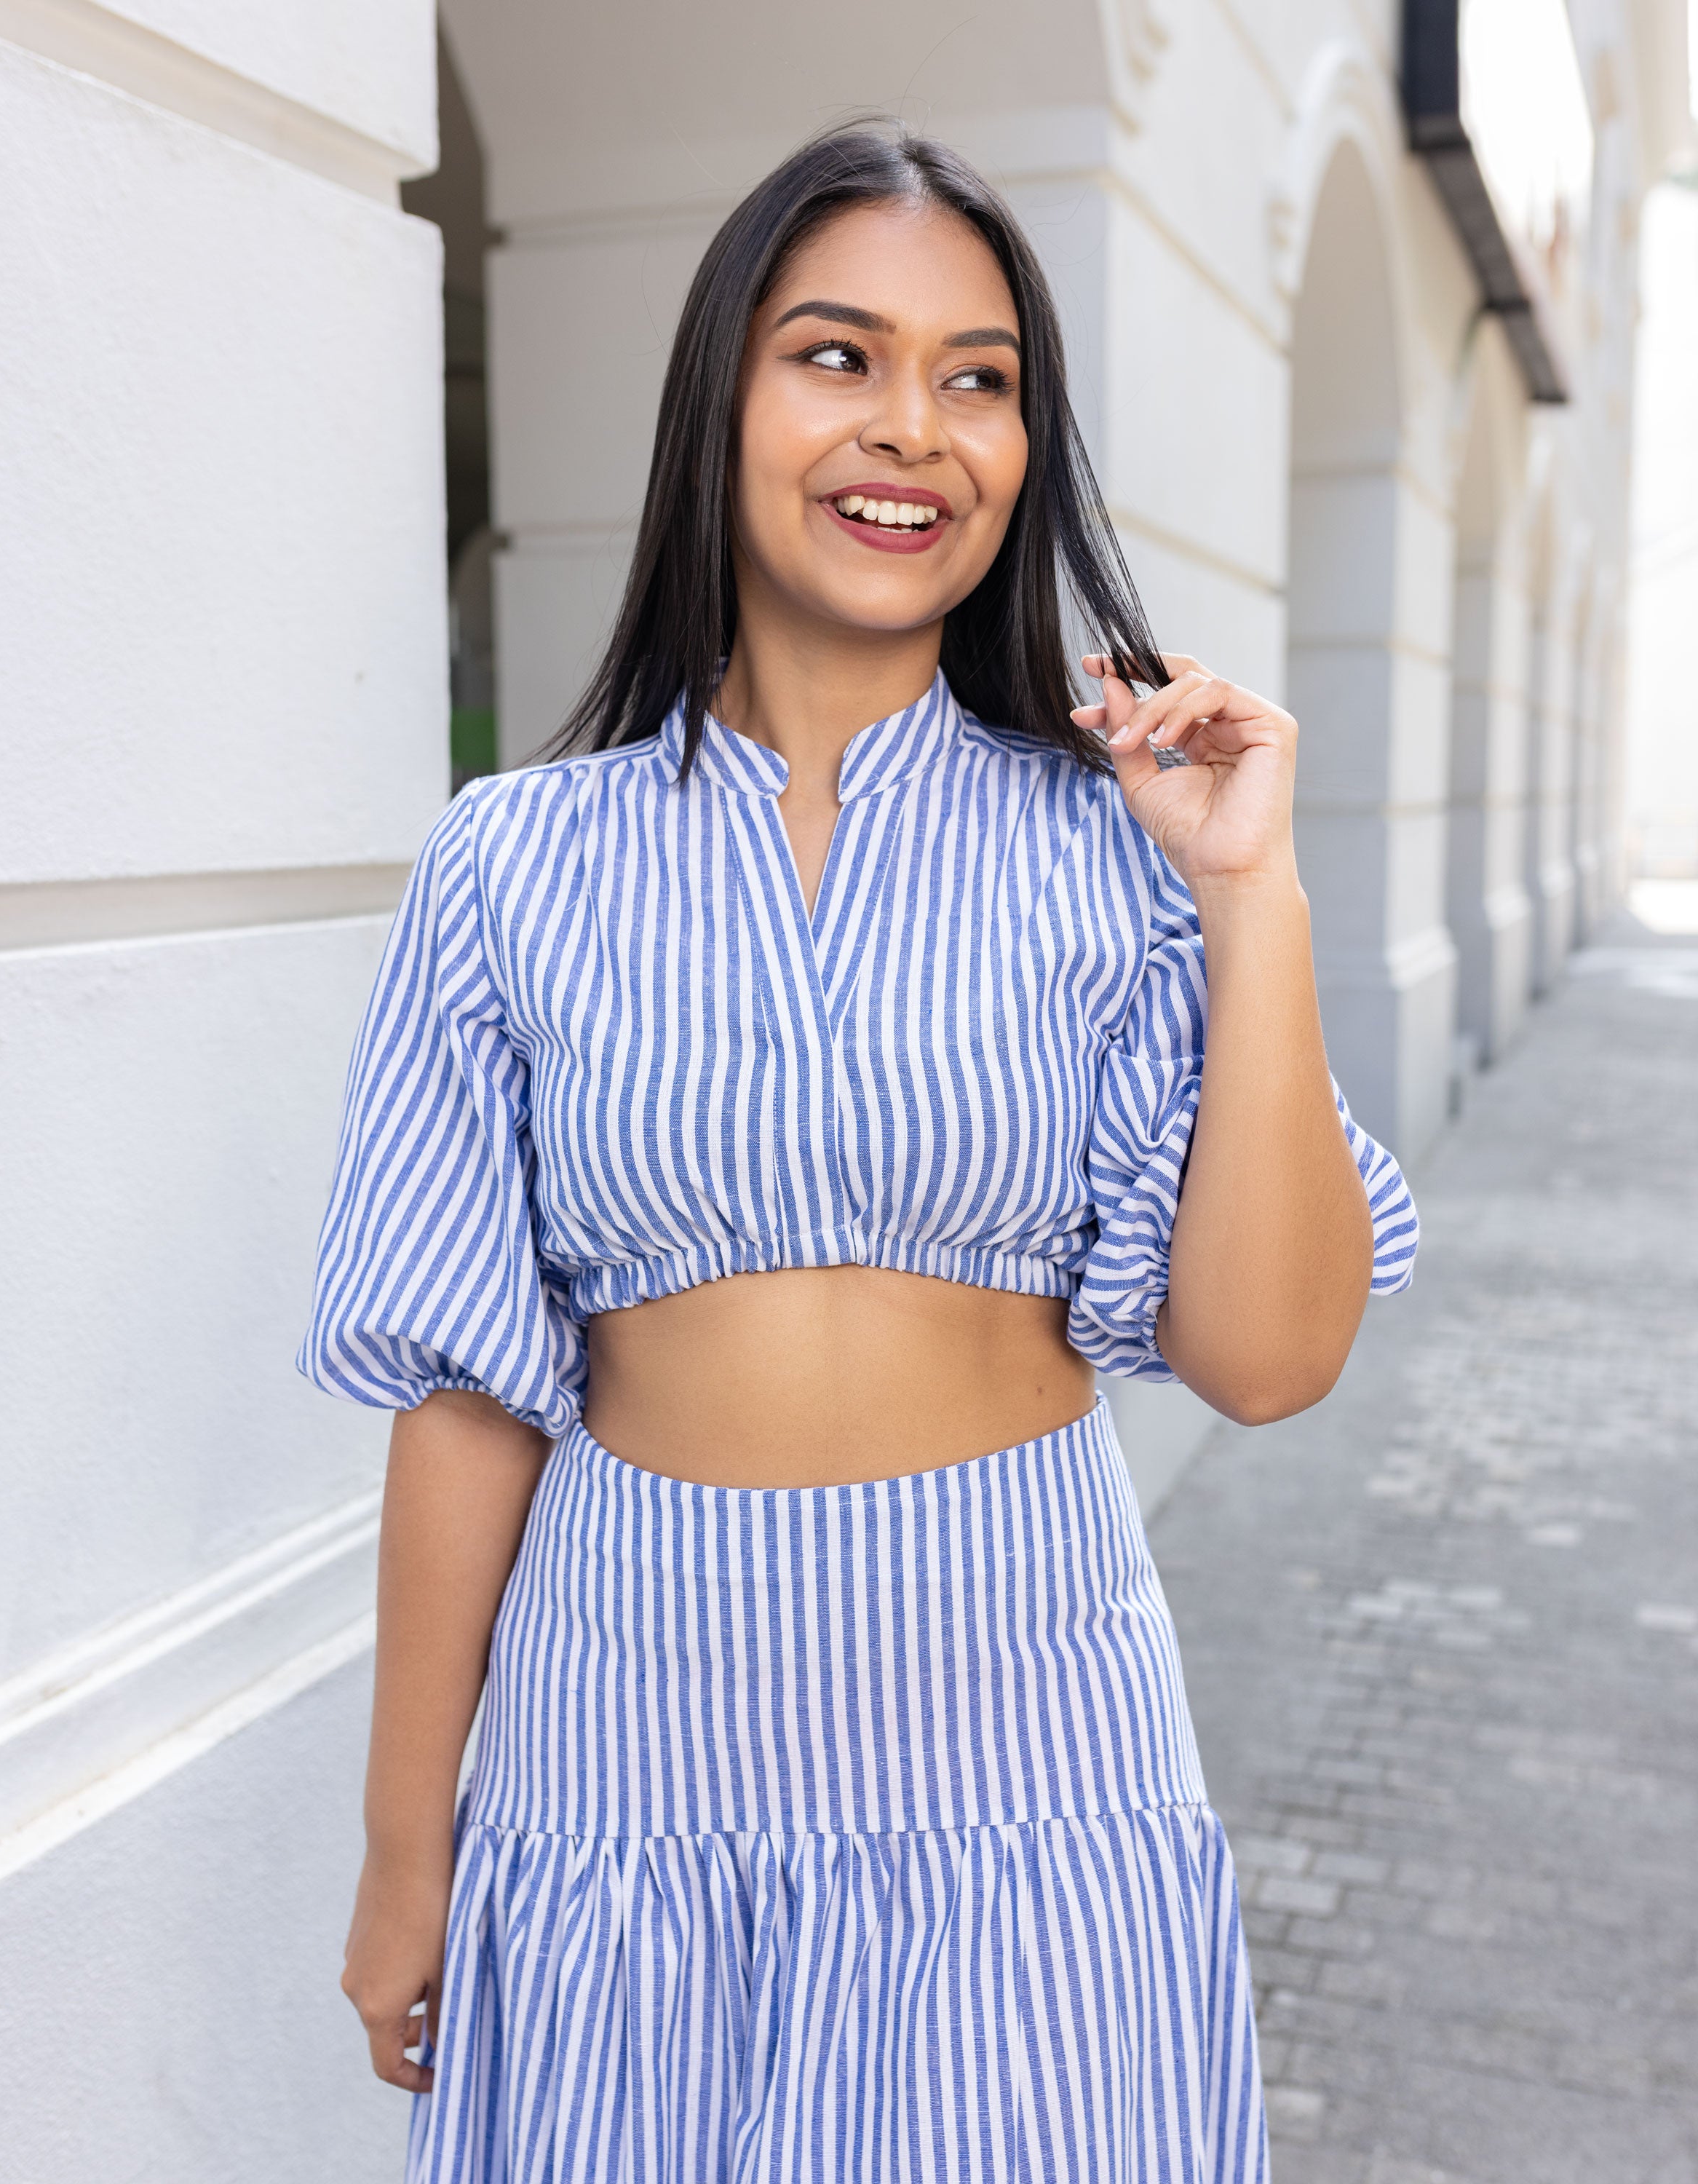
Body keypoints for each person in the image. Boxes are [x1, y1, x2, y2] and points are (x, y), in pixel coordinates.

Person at [300, 122, 1416, 2184]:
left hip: (1021, 1737)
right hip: (621, 1747)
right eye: (840, 355)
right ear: (721, 392)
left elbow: (1268, 1361)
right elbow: (471, 1393)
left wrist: (1257, 902)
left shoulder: (1119, 854)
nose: (915, 426)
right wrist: (404, 1847)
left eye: (978, 377)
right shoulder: (514, 866)